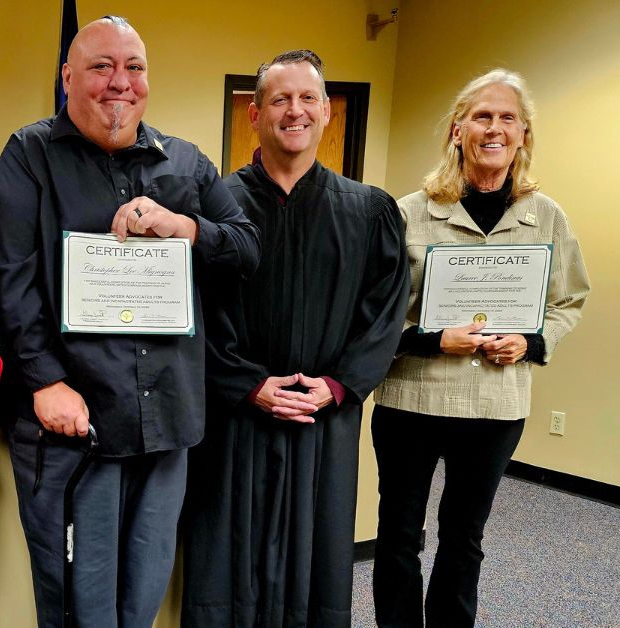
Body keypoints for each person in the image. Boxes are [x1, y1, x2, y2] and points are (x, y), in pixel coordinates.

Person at [0, 16, 260, 627]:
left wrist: (184, 227)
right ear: (68, 76)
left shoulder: (185, 162)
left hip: (166, 423)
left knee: (143, 593)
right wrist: (44, 380)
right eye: (102, 66)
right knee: (76, 598)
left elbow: (247, 248)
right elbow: (8, 277)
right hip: (75, 428)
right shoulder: (30, 156)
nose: (119, 82)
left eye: (133, 67)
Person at [180, 49, 409, 627]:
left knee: (318, 555)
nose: (295, 111)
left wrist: (336, 386)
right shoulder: (215, 208)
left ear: (328, 112)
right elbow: (189, 312)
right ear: (254, 115)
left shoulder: (368, 210)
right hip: (236, 416)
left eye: (308, 98)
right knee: (227, 557)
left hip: (322, 417)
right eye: (279, 99)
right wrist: (246, 384)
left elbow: (384, 316)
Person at [370, 69, 589, 627]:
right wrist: (431, 337)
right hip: (412, 400)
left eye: (507, 118)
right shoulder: (407, 212)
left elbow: (568, 301)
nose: (494, 128)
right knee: (398, 536)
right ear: (457, 130)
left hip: (495, 407)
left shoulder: (547, 217)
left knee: (464, 539)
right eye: (482, 116)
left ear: (523, 135)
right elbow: (370, 313)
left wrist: (532, 340)